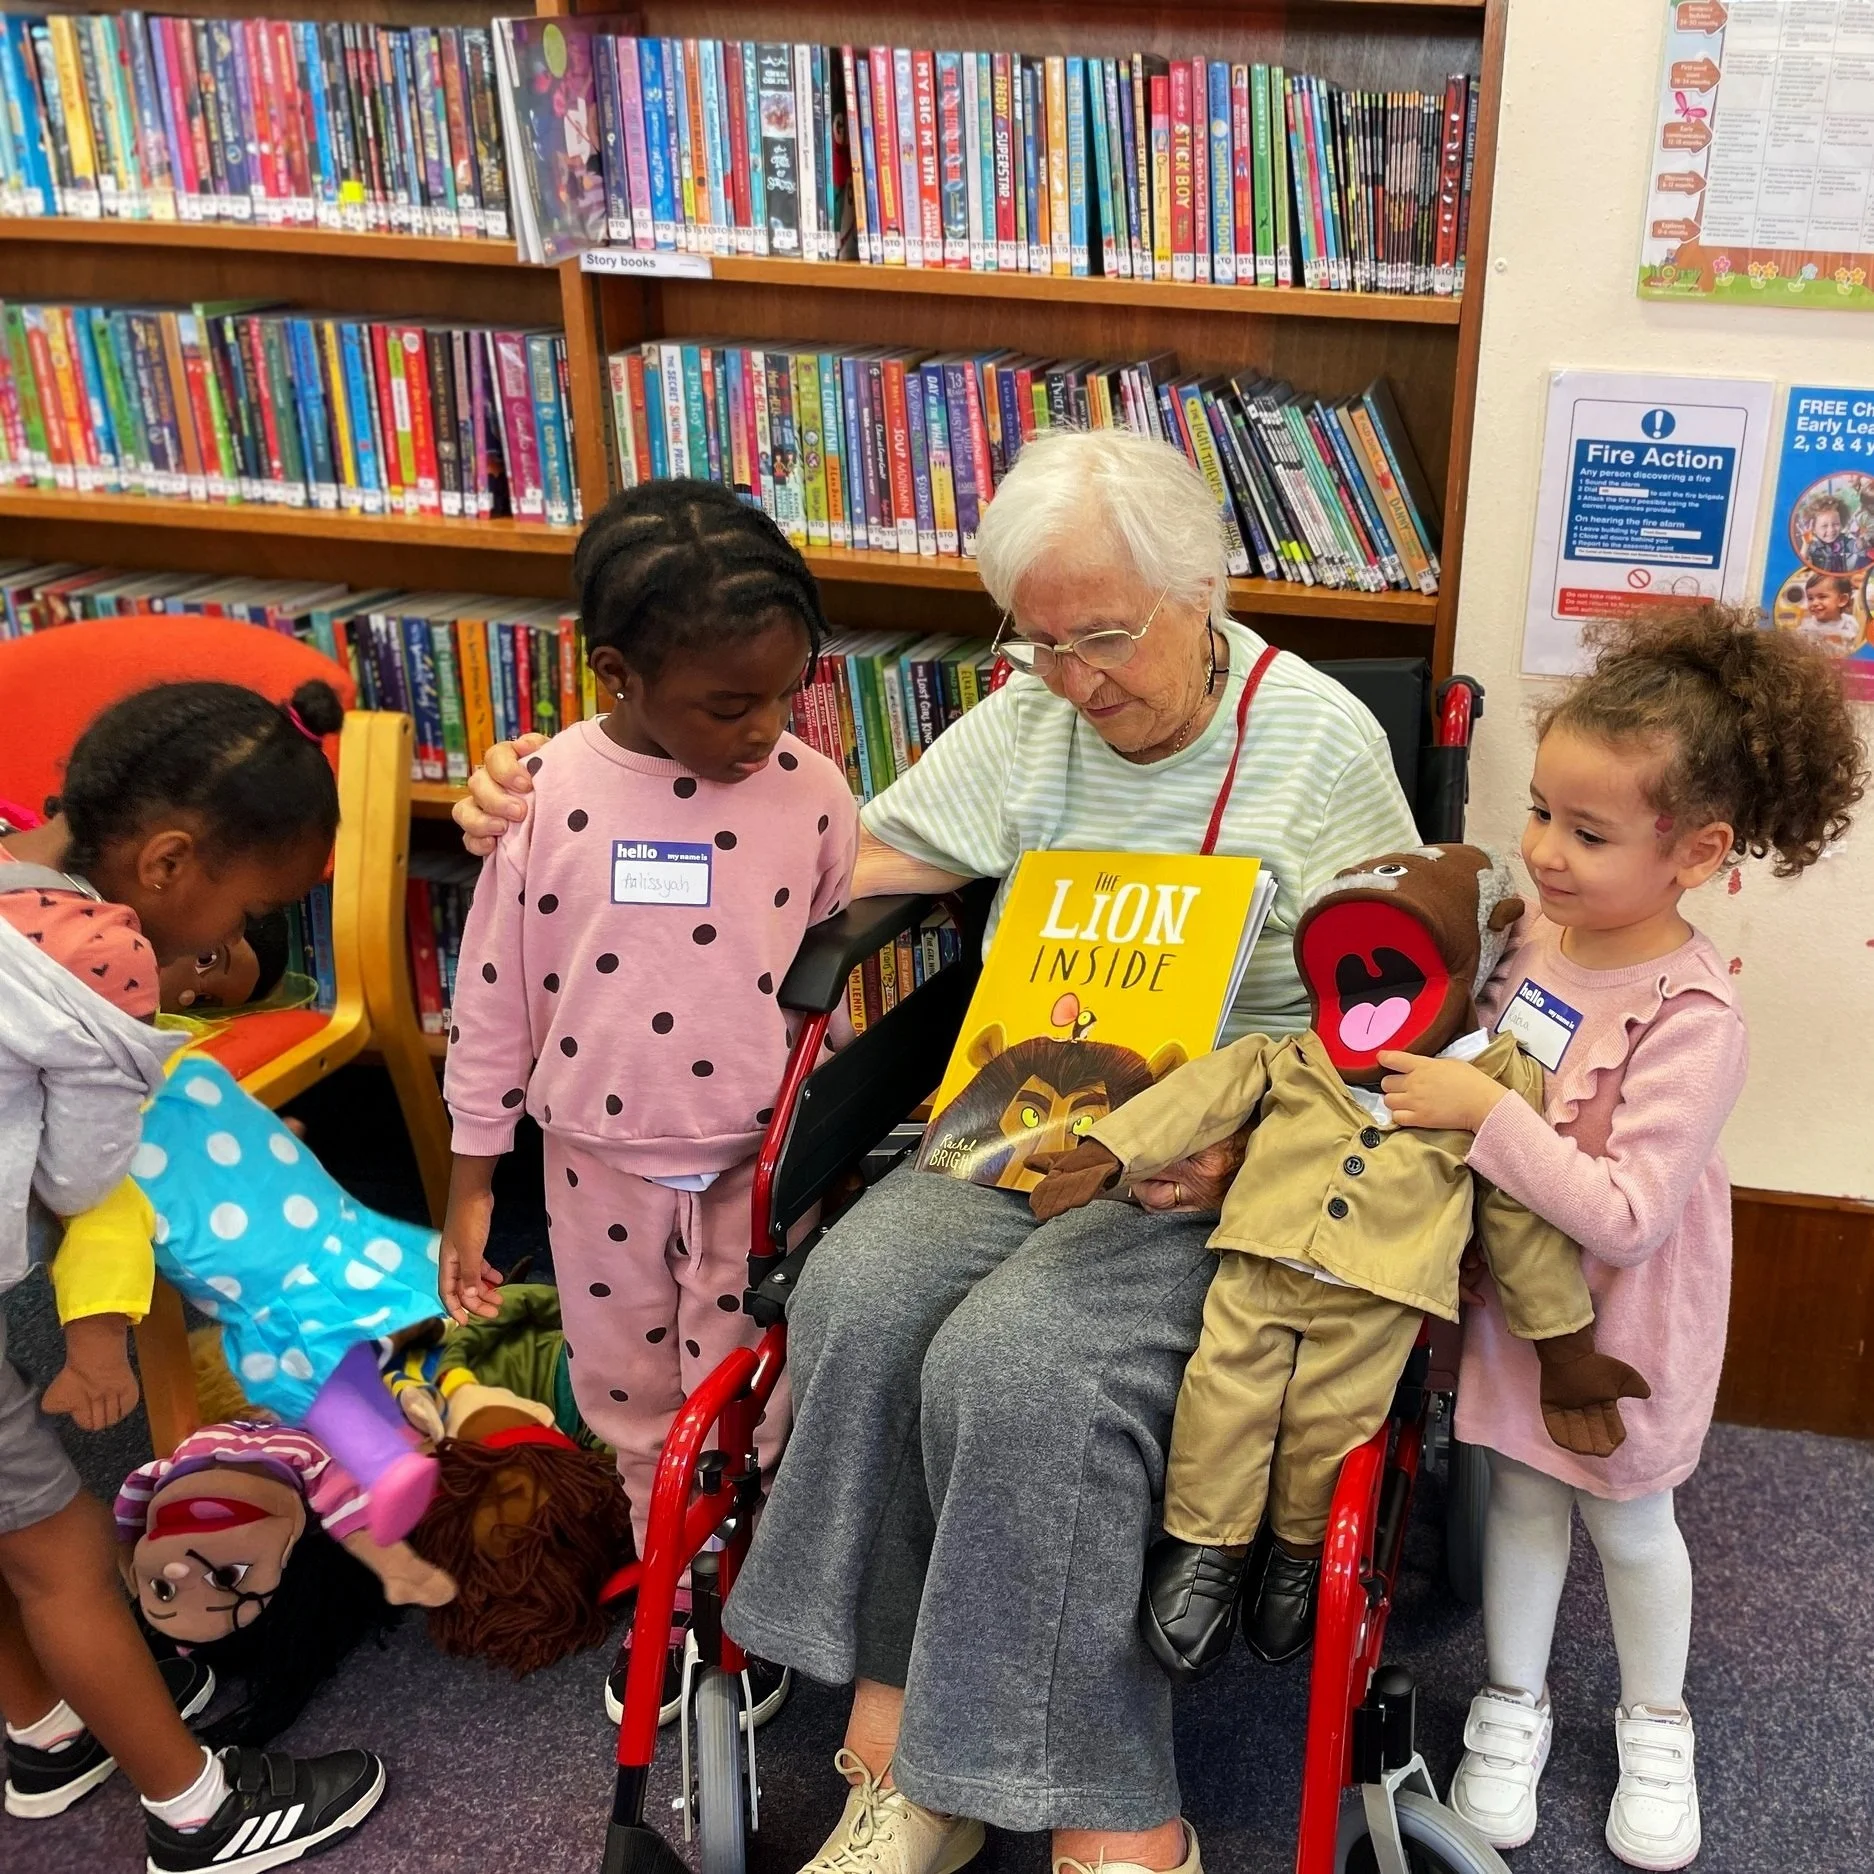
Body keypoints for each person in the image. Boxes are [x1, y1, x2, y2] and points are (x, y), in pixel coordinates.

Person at [451, 428, 1419, 1874]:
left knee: (1016, 1359)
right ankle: (907, 1761)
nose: (1075, 684)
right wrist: (549, 798)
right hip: (1019, 1120)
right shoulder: (1031, 719)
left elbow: (1401, 996)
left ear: (1198, 592)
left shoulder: (1318, 742)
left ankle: (1109, 1808)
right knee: (859, 1292)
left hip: (1226, 1152)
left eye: (1101, 637)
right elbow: (839, 861)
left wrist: (1264, 1133)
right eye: (1037, 647)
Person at [1376, 609, 1866, 1871]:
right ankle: (1512, 1698)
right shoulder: (1532, 940)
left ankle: (1656, 1718)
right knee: (1525, 1500)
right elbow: (1495, 1060)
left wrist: (1483, 1114)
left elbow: (1632, 1214)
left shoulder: (1694, 1014)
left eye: (1585, 833)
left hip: (1625, 1321)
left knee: (1630, 1521)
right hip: (1515, 1302)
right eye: (1539, 810)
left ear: (1696, 851)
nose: (1540, 850)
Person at [438, 479, 859, 1729]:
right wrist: (469, 1185)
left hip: (751, 1162)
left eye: (784, 693)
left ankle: (755, 1599)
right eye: (728, 702)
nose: (761, 727)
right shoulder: (540, 796)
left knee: (749, 1395)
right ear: (616, 671)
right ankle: (675, 1602)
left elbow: (821, 977)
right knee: (625, 1393)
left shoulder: (813, 793)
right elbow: (493, 995)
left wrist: (817, 1143)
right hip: (593, 1160)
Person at [0, 679, 389, 1869]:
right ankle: (199, 1810)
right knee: (58, 1545)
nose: (228, 946)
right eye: (243, 912)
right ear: (168, 861)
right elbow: (82, 1180)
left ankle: (46, 1728)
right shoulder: (101, 953)